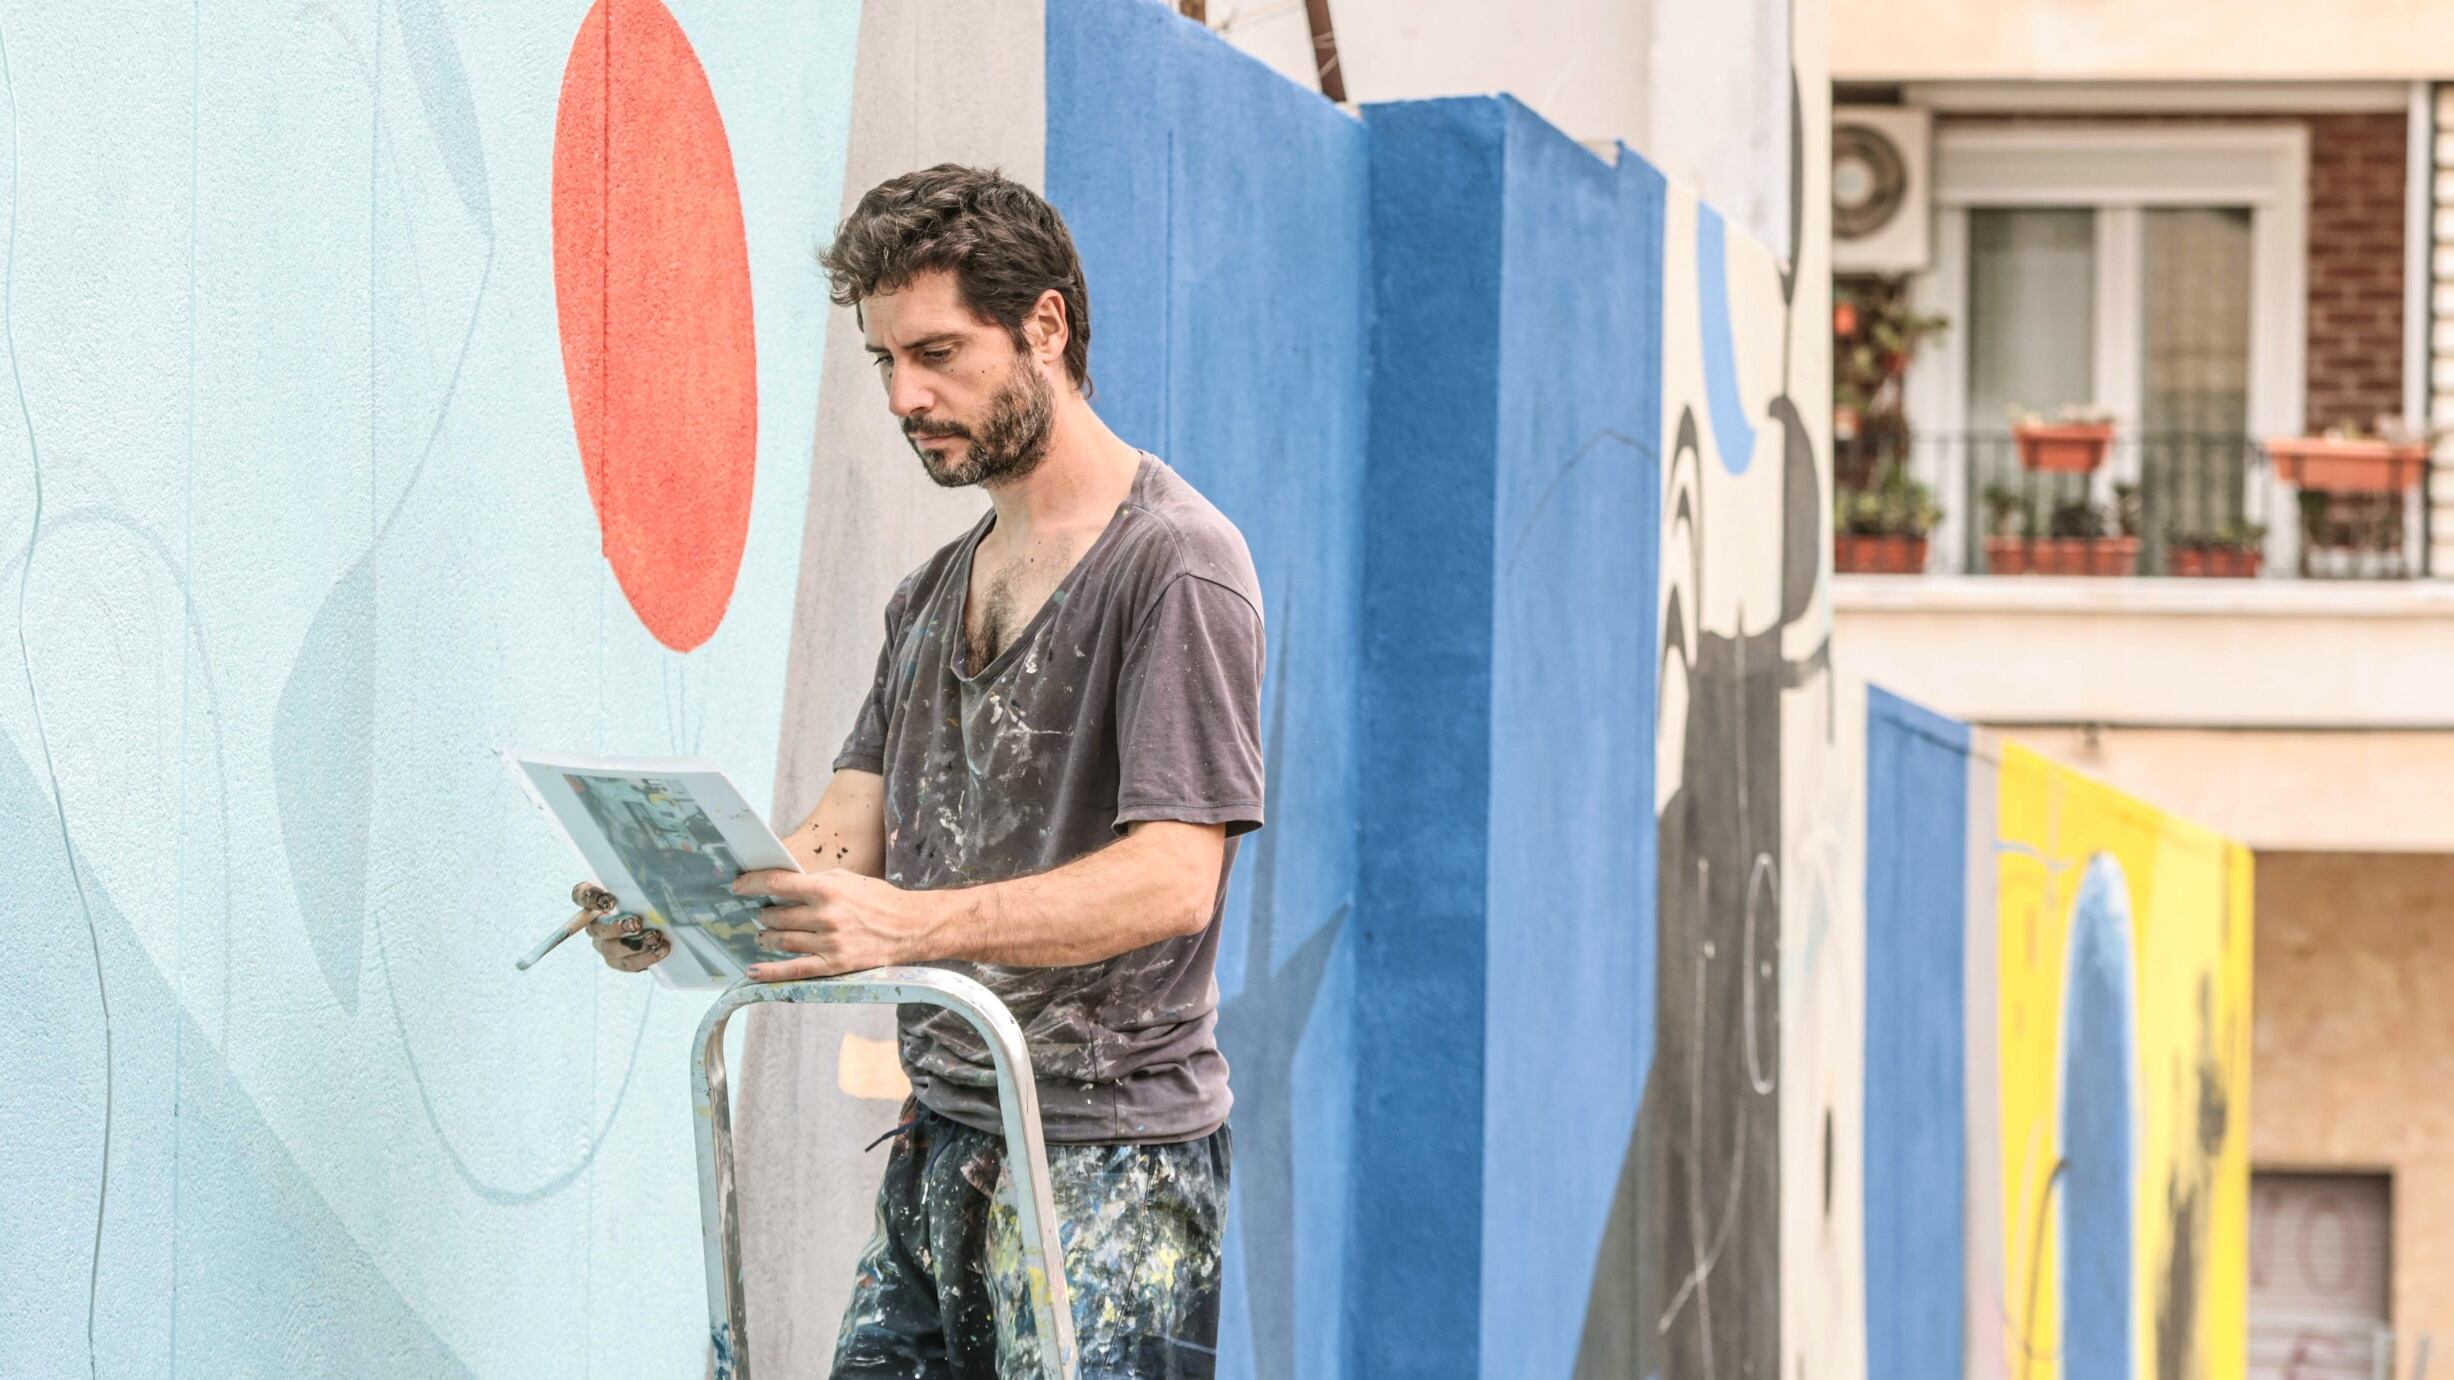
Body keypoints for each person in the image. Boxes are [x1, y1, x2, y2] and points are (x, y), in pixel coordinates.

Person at [580, 164, 1264, 1380]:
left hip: (1108, 1163)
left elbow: (1175, 881)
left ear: (1044, 327)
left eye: (938, 352)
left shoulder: (1177, 567)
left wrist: (914, 928)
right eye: (886, 362)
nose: (906, 395)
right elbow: (845, 842)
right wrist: (684, 903)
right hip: (945, 1136)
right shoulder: (931, 594)